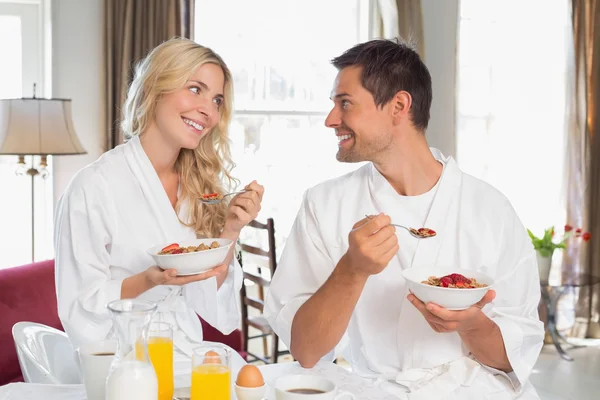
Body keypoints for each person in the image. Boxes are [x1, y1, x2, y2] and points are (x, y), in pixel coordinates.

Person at [264, 38, 544, 399]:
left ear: (398, 105)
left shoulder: (490, 209)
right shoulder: (325, 204)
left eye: (344, 103)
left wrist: (472, 326)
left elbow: (513, 361)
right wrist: (352, 269)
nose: (330, 120)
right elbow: (306, 351)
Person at [54, 38, 263, 382]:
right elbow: (79, 306)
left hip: (181, 348)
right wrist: (149, 280)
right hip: (121, 360)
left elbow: (207, 299)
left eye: (216, 100)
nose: (208, 111)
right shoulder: (93, 187)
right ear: (156, 87)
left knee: (251, 380)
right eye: (195, 89)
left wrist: (231, 231)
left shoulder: (195, 185)